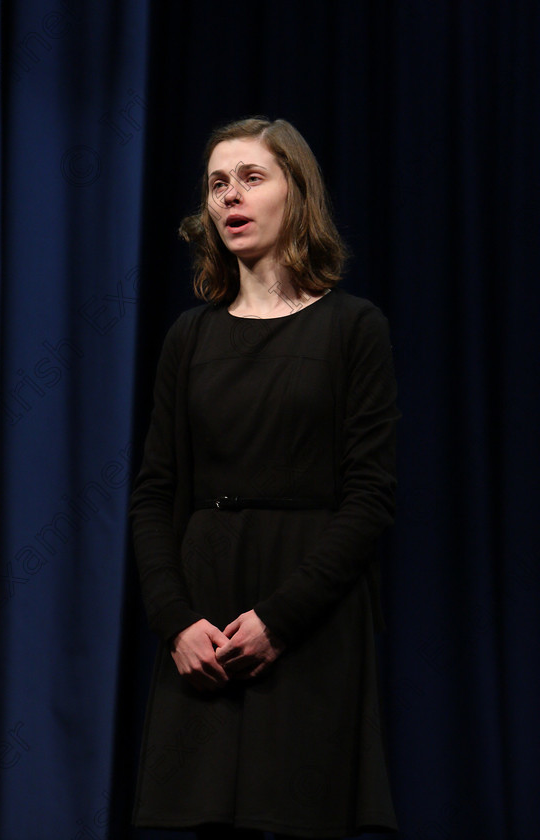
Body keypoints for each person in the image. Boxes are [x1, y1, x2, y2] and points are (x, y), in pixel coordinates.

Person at [130, 117, 400, 839]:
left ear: (296, 193)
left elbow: (369, 497)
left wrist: (282, 619)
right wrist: (176, 621)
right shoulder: (190, 337)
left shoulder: (353, 328)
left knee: (298, 821)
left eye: (252, 178)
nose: (230, 198)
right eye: (218, 184)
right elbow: (154, 492)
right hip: (205, 617)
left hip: (307, 620)